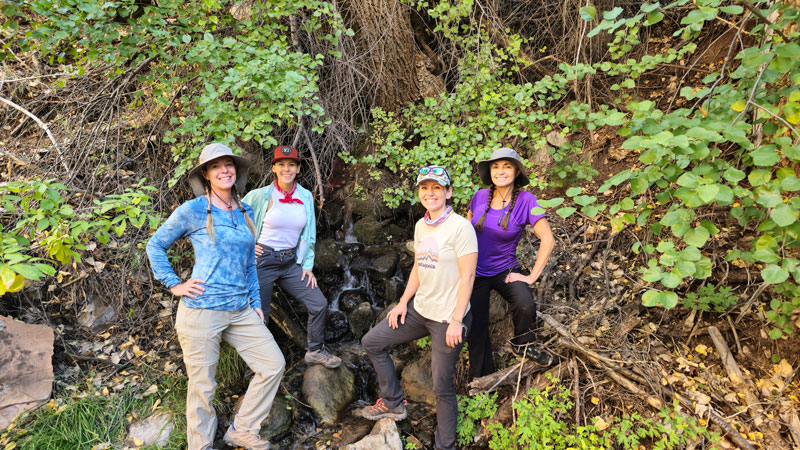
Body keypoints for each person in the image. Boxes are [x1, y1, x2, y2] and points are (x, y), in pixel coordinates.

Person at [146, 143, 285, 450]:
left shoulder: (246, 211)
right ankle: (201, 445)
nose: (224, 170)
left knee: (273, 364)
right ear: (206, 175)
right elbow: (155, 246)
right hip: (201, 311)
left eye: (228, 165)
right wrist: (174, 284)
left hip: (240, 309)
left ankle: (243, 429)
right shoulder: (193, 210)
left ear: (236, 170)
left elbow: (249, 262)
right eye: (216, 166)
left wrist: (256, 303)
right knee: (203, 387)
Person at [360, 165, 477, 450]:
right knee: (372, 341)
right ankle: (393, 403)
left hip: (448, 319)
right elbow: (418, 267)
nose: (430, 192)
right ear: (419, 194)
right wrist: (402, 303)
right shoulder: (421, 225)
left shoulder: (461, 227)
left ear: (448, 192)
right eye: (425, 188)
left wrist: (456, 320)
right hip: (420, 311)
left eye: (437, 187)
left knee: (441, 386)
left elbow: (469, 276)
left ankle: (444, 445)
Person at [242, 145, 341, 369]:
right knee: (260, 315)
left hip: (289, 263)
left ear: (298, 169)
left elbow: (310, 234)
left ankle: (315, 350)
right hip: (262, 262)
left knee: (319, 303)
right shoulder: (259, 195)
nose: (287, 169)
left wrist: (307, 265)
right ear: (274, 168)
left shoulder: (305, 196)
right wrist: (247, 246)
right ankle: (259, 368)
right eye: (282, 165)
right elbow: (233, 218)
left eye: (292, 165)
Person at [466, 147, 556, 380]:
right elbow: (463, 233)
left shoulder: (526, 200)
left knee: (525, 303)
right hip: (474, 272)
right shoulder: (478, 196)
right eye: (496, 166)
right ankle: (481, 381)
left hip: (505, 269)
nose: (501, 171)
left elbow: (547, 239)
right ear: (490, 172)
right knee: (476, 328)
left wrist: (531, 276)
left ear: (516, 172)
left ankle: (523, 345)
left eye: (507, 166)